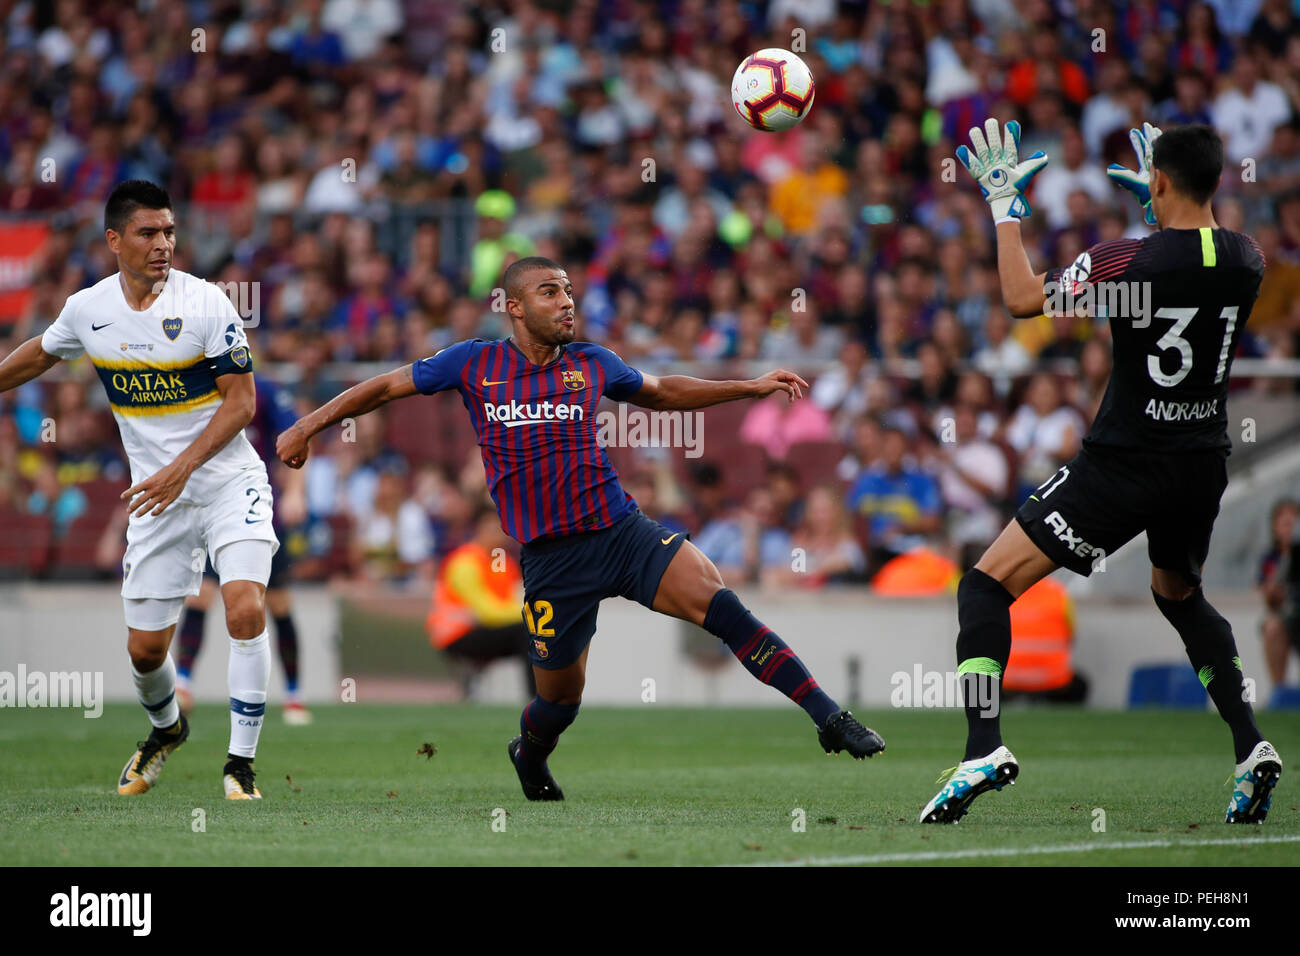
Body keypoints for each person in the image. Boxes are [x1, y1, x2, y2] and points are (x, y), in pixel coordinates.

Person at [278, 256, 884, 801]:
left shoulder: (593, 364)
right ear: (513, 307)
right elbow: (386, 385)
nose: (567, 301)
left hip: (621, 531)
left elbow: (665, 391)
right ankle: (529, 755)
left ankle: (829, 717)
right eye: (549, 292)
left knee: (724, 609)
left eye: (569, 291)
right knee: (559, 700)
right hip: (550, 561)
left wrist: (748, 387)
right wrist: (309, 424)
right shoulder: (473, 362)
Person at [924, 120, 1280, 824]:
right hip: (1201, 462)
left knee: (985, 584)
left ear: (1158, 180)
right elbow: (1174, 276)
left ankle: (983, 746)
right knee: (1180, 597)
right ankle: (1249, 745)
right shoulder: (1248, 259)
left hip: (1123, 463)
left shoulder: (1124, 260)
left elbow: (1025, 299)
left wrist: (1003, 207)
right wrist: (1155, 211)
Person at [0, 180, 276, 799]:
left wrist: (183, 467)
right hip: (157, 500)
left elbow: (242, 404)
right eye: (149, 233)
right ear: (114, 240)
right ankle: (166, 730)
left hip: (230, 482)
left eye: (170, 232)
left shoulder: (207, 304)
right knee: (146, 652)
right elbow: (41, 355)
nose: (163, 245)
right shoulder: (88, 310)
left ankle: (240, 765)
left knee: (245, 607)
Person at [173, 374, 312, 725]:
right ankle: (183, 683)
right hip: (210, 511)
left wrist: (296, 492)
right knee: (200, 594)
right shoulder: (196, 387)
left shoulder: (265, 391)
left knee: (276, 604)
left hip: (256, 510)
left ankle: (294, 694)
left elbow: (295, 440)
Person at [427, 503, 535, 698]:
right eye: (492, 528)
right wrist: (529, 616)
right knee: (528, 633)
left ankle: (544, 700)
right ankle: (537, 701)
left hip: (483, 629)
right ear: (478, 529)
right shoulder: (464, 562)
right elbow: (486, 611)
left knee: (536, 634)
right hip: (457, 634)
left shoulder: (504, 563)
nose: (499, 534)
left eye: (502, 528)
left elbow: (508, 603)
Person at [1258, 498, 1298, 688]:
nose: (1290, 529)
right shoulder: (1271, 558)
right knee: (1272, 627)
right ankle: (1279, 690)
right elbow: (1269, 598)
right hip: (1287, 614)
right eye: (1285, 524)